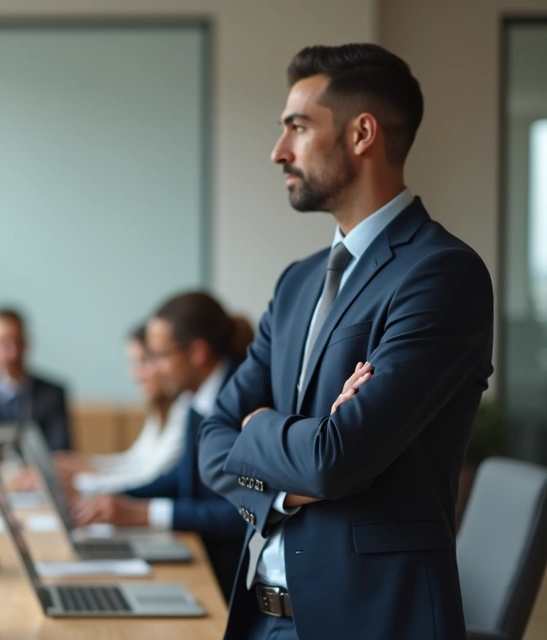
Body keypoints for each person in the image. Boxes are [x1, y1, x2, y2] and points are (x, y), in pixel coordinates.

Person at [198, 44, 493, 640]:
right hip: (259, 618)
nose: (279, 151)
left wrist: (259, 430)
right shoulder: (298, 280)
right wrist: (291, 485)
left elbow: (335, 460)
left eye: (298, 128)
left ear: (362, 133)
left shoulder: (442, 274)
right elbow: (211, 440)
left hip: (368, 622)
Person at [71, 293, 251, 596]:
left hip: (233, 582)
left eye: (159, 356)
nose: (153, 368)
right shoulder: (200, 397)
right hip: (206, 563)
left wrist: (146, 513)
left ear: (197, 352)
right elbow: (180, 477)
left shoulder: (242, 400)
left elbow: (242, 512)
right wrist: (108, 500)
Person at [50, 321, 179, 494]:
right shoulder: (161, 411)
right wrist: (85, 464)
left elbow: (149, 478)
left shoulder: (183, 412)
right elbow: (135, 461)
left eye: (143, 361)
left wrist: (81, 481)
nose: (134, 373)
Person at [0, 307, 71, 452]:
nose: (12, 353)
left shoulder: (52, 394)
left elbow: (62, 450)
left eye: (17, 342)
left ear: (27, 343)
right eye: (2, 343)